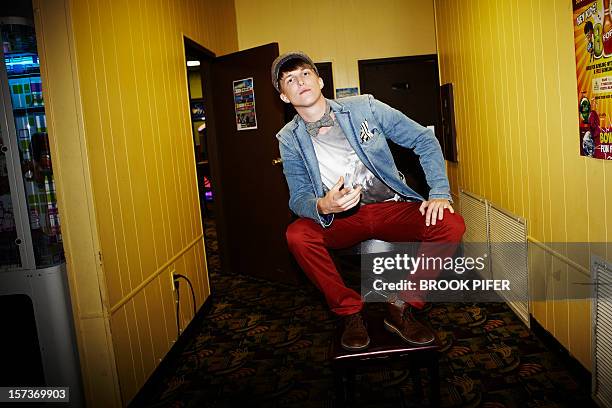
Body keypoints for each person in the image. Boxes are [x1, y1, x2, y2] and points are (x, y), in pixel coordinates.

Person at [271, 51, 465, 351]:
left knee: (450, 223)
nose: (300, 81)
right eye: (290, 80)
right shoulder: (289, 138)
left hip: (392, 207)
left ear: (320, 80)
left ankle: (402, 305)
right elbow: (298, 197)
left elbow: (423, 139)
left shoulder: (365, 107)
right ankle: (349, 311)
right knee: (297, 234)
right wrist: (323, 206)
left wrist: (439, 191)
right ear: (284, 96)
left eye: (305, 73)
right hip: (341, 219)